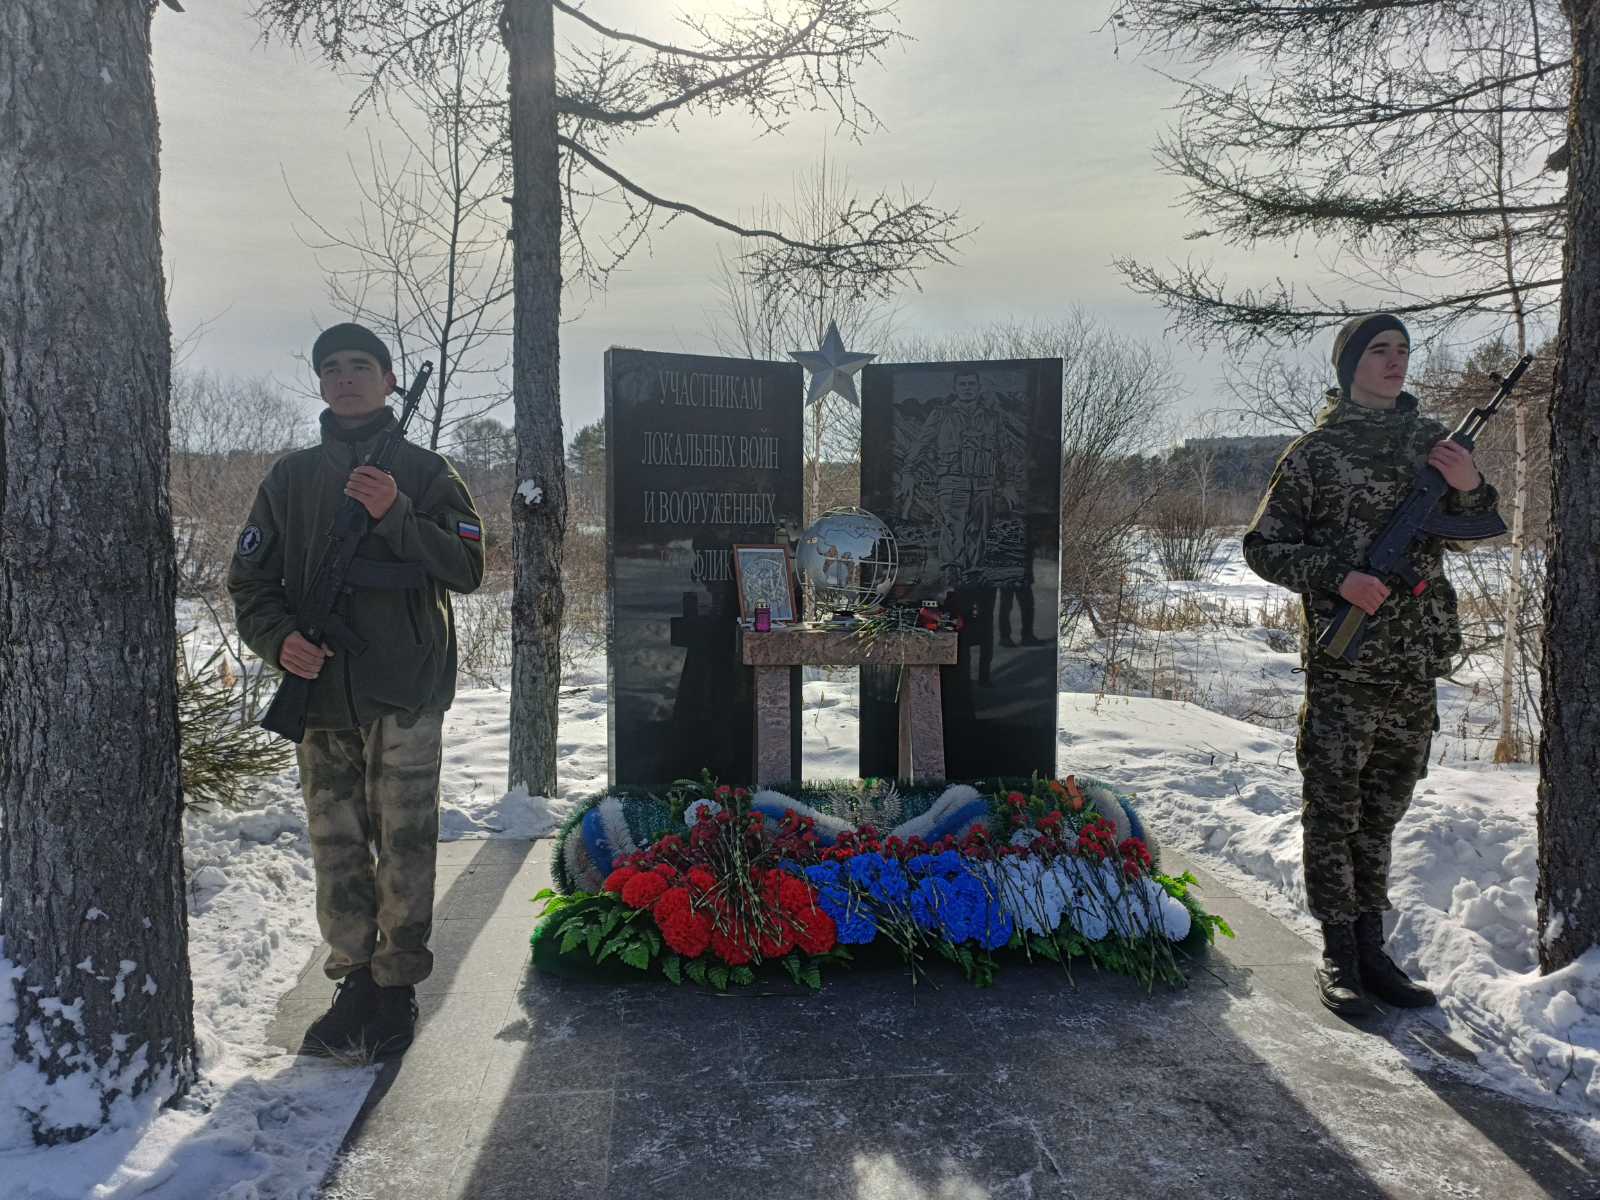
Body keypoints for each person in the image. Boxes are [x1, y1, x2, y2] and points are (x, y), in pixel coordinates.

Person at [228, 322, 485, 1056]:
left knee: (405, 841)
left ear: (388, 380)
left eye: (361, 365)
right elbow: (250, 583)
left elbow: (468, 569)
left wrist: (395, 514)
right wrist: (281, 642)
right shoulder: (290, 478)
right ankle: (355, 982)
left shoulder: (426, 471)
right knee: (335, 844)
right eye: (332, 367)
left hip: (404, 691)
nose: (346, 377)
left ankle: (397, 985)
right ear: (319, 384)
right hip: (319, 691)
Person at [1242, 313, 1497, 1018]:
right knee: (1334, 808)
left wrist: (1470, 482)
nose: (1395, 362)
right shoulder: (1315, 454)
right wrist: (1339, 577)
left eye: (1403, 351)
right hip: (1345, 664)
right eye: (1379, 351)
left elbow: (1479, 528)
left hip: (1412, 662)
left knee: (1383, 811)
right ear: (1349, 362)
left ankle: (1373, 945)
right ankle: (1338, 953)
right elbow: (1263, 547)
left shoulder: (1432, 444)